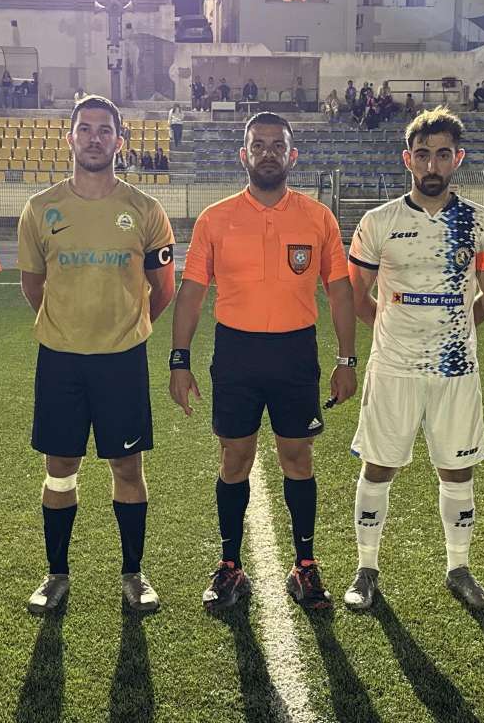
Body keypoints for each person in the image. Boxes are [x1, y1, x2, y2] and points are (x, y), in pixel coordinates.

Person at [169, 111, 357, 612]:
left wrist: (346, 359)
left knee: (298, 457)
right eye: (258, 145)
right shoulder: (215, 219)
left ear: (292, 155)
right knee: (235, 458)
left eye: (277, 145)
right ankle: (230, 564)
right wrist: (179, 360)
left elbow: (340, 292)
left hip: (295, 353)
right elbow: (191, 293)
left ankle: (305, 565)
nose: (268, 153)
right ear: (244, 155)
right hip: (237, 354)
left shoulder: (318, 217)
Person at [342, 106, 484, 612]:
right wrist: (392, 330)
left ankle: (459, 569)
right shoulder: (379, 222)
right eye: (422, 155)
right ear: (407, 159)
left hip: (455, 369)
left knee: (457, 471)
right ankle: (366, 569)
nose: (432, 165)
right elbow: (355, 295)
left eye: (442, 154)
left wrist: (454, 330)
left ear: (458, 158)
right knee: (378, 467)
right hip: (393, 367)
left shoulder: (481, 222)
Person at [18, 95, 176, 614]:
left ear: (119, 140)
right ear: (70, 138)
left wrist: (126, 325)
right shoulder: (40, 208)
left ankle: (133, 573)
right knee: (60, 468)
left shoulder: (145, 209)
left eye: (104, 130)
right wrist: (68, 322)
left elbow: (163, 288)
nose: (93, 138)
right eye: (84, 129)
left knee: (127, 467)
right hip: (61, 360)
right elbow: (33, 285)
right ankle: (56, 573)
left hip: (121, 360)